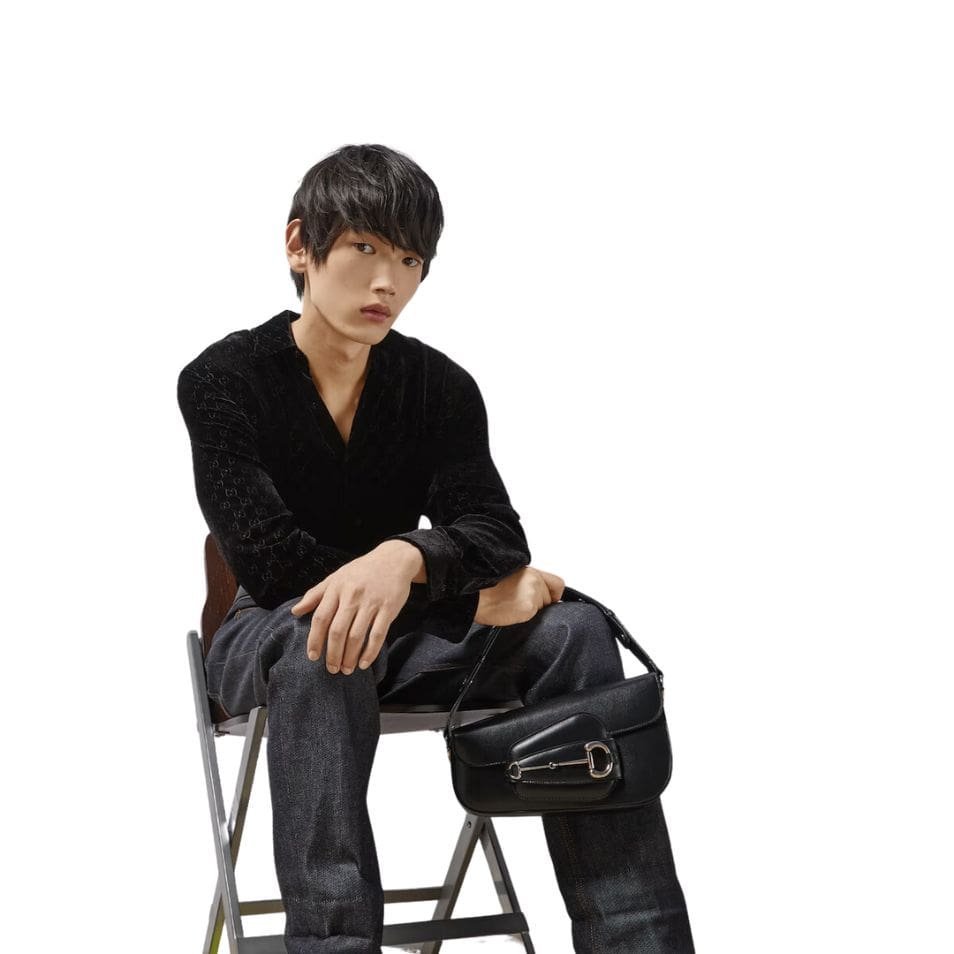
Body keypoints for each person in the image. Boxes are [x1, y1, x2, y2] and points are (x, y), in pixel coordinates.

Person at [177, 143, 695, 953]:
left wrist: (407, 559)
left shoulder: (438, 387)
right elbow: (274, 563)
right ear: (300, 245)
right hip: (270, 628)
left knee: (576, 632)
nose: (389, 282)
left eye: (411, 260)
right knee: (324, 644)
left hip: (408, 636)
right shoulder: (223, 379)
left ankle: (637, 941)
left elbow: (495, 532)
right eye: (365, 248)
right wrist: (459, 587)